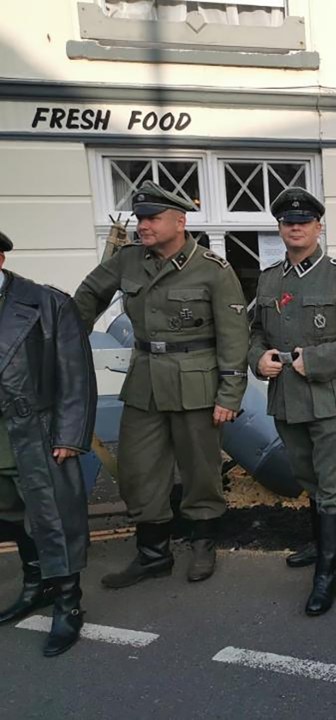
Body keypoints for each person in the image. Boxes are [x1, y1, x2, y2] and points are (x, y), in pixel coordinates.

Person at [74, 181, 249, 587]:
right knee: (138, 469)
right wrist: (66, 341)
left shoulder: (212, 269)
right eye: (140, 218)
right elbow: (88, 296)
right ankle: (153, 554)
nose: (143, 226)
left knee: (201, 469)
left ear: (180, 221)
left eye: (152, 218)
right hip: (146, 380)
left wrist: (230, 394)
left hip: (196, 382)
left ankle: (203, 544)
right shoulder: (129, 261)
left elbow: (234, 337)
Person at [248, 187, 336, 615]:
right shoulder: (269, 279)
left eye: (304, 221)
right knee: (309, 479)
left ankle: (328, 572)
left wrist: (315, 360)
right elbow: (255, 333)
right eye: (287, 221)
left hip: (331, 398)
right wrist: (256, 357)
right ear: (280, 228)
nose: (295, 227)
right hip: (286, 399)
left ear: (319, 227)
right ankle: (318, 542)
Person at [0, 230, 96, 656]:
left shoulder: (45, 302)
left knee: (55, 519)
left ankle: (68, 605)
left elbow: (75, 374)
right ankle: (35, 583)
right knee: (13, 514)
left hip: (36, 429)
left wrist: (71, 436)